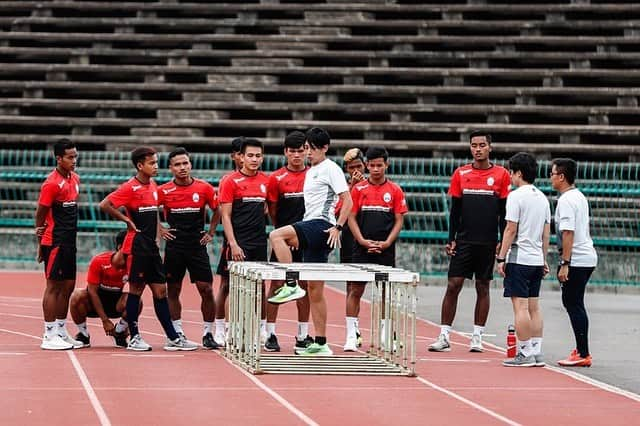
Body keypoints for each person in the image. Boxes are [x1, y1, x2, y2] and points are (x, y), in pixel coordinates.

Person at [99, 146, 198, 351]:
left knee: (161, 291)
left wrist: (158, 234)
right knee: (136, 290)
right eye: (151, 163)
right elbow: (105, 205)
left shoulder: (153, 185)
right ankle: (134, 337)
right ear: (139, 165)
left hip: (151, 248)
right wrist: (126, 220)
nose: (156, 166)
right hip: (137, 246)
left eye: (156, 162)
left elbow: (154, 214)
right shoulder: (129, 187)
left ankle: (173, 337)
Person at [269, 127, 352, 356]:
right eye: (306, 149)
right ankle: (321, 343)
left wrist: (338, 227)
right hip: (312, 226)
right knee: (315, 291)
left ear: (324, 148)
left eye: (312, 149)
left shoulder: (330, 168)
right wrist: (300, 238)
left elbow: (348, 201)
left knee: (276, 235)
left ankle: (291, 284)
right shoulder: (312, 171)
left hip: (321, 225)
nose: (308, 153)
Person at [429, 131, 510, 353]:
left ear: (490, 147)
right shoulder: (460, 173)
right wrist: (451, 238)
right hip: (463, 241)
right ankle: (444, 335)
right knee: (453, 284)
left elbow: (504, 214)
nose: (478, 149)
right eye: (474, 145)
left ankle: (477, 336)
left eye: (482, 145)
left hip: (487, 242)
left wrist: (502, 242)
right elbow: (454, 211)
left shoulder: (502, 175)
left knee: (483, 287)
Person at [345, 147, 407, 352]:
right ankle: (351, 335)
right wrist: (362, 240)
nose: (375, 169)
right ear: (367, 165)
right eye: (371, 165)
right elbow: (351, 217)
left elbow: (399, 219)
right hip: (361, 247)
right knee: (356, 289)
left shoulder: (395, 190)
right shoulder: (359, 189)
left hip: (385, 248)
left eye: (379, 165)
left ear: (386, 165)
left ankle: (385, 334)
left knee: (385, 293)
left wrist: (388, 242)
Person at [158, 147, 220, 350]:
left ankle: (208, 333)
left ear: (190, 164)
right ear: (170, 168)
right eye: (177, 164)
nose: (182, 167)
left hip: (197, 245)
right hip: (175, 246)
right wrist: (159, 228)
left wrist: (210, 232)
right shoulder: (164, 190)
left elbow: (218, 209)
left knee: (207, 289)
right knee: (173, 289)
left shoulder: (204, 188)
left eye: (185, 163)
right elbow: (147, 208)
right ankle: (177, 333)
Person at [496, 152, 550, 367]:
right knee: (534, 307)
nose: (510, 176)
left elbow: (510, 229)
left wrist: (501, 257)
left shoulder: (516, 196)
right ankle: (536, 350)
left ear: (518, 173)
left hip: (520, 258)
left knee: (520, 307)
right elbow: (546, 233)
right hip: (536, 258)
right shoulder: (542, 198)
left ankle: (525, 351)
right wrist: (544, 258)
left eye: (511, 172)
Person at [217, 138, 270, 345]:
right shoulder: (230, 181)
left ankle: (261, 330)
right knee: (231, 285)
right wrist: (233, 243)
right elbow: (225, 215)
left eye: (258, 156)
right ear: (241, 157)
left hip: (258, 242)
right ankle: (228, 330)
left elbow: (267, 210)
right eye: (250, 155)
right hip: (238, 242)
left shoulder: (266, 181)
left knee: (259, 286)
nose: (254, 159)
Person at [264, 131, 313, 353]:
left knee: (304, 288)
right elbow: (273, 211)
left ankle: (303, 335)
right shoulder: (275, 178)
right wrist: (285, 237)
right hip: (283, 240)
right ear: (285, 152)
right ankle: (270, 333)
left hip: (307, 239)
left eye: (300, 151)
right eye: (292, 151)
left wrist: (301, 236)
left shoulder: (314, 175)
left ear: (306, 151)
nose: (296, 155)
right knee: (276, 285)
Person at [35, 138, 83, 350]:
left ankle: (62, 331)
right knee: (53, 287)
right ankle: (49, 334)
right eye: (70, 157)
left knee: (69, 286)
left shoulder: (75, 179)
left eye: (76, 156)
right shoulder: (51, 183)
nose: (74, 160)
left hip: (69, 240)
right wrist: (40, 243)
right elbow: (40, 215)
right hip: (53, 241)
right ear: (59, 159)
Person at [550, 158, 598, 367]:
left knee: (573, 303)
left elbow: (568, 232)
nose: (550, 178)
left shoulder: (567, 200)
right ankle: (581, 348)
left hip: (577, 258)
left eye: (552, 174)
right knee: (574, 302)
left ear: (561, 176)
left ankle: (583, 352)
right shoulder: (578, 196)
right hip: (585, 255)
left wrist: (565, 262)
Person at [69, 230, 139, 348]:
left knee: (136, 301)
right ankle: (83, 335)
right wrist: (105, 320)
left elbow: (136, 290)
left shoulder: (134, 264)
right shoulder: (99, 261)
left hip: (115, 304)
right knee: (77, 296)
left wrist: (130, 326)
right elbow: (92, 292)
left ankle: (119, 333)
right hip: (93, 304)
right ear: (120, 246)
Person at [213, 137, 245, 346]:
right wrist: (231, 240)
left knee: (253, 285)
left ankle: (249, 328)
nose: (244, 158)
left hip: (252, 238)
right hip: (232, 238)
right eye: (240, 154)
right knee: (226, 283)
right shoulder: (227, 180)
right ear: (234, 156)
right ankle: (219, 327)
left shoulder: (261, 179)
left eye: (248, 154)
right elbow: (221, 211)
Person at [338, 148, 366, 347]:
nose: (355, 170)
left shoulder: (375, 181)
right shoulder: (343, 187)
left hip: (370, 235)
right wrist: (351, 187)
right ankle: (353, 329)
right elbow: (337, 210)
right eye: (351, 167)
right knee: (352, 284)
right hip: (349, 238)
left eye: (358, 166)